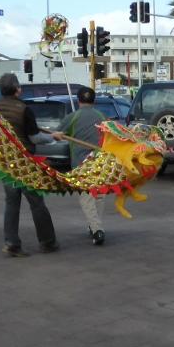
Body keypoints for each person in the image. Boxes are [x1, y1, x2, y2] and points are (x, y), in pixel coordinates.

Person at [0, 73, 64, 257]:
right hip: (24, 162)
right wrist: (53, 137)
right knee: (36, 202)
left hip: (5, 162)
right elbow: (35, 137)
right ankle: (47, 242)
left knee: (11, 202)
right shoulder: (24, 109)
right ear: (17, 89)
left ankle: (11, 244)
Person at [59, 87, 107, 245]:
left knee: (86, 198)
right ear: (94, 100)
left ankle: (97, 230)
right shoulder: (102, 117)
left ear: (78, 100)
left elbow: (58, 134)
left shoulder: (73, 116)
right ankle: (94, 226)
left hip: (81, 164)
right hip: (99, 162)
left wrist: (58, 134)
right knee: (99, 195)